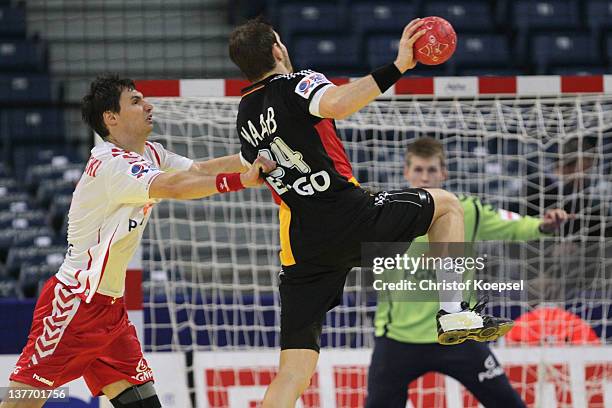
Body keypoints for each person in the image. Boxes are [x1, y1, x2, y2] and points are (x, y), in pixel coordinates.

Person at [228, 18, 513, 407]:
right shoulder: (298, 82)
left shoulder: (245, 113)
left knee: (293, 371)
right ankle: (453, 312)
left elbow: (249, 169)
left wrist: (199, 173)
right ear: (278, 50)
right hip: (348, 215)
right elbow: (340, 104)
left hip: (302, 246)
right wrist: (399, 66)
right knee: (446, 205)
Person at [1, 74, 275, 408]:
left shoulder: (150, 154)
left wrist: (258, 155)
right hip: (76, 302)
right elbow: (174, 188)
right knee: (19, 402)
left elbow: (198, 170)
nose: (149, 106)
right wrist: (240, 182)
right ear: (110, 118)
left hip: (111, 313)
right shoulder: (112, 163)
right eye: (135, 101)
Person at [366, 137, 571, 408]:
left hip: (460, 336)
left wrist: (542, 226)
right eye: (418, 170)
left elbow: (511, 225)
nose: (425, 177)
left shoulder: (466, 210)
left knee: (508, 403)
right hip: (398, 339)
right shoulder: (388, 212)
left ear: (444, 173)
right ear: (406, 172)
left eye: (431, 170)